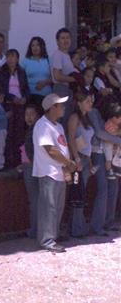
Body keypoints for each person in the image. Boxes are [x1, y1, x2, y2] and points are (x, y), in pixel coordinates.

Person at [32, 93, 76, 253]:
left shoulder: (58, 126)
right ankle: (47, 239)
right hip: (48, 172)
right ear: (52, 108)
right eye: (60, 105)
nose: (63, 108)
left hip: (58, 172)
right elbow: (51, 150)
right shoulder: (42, 125)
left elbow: (61, 148)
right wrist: (68, 163)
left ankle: (53, 236)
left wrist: (66, 168)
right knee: (48, 207)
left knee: (57, 206)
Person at [88, 102, 121, 235]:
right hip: (101, 155)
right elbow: (101, 135)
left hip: (110, 157)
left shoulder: (99, 116)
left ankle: (108, 222)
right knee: (104, 189)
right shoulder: (94, 113)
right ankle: (97, 225)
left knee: (112, 188)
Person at [66, 92, 94, 238]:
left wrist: (89, 161)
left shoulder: (86, 119)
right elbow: (70, 138)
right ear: (79, 102)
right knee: (77, 193)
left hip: (85, 158)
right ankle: (76, 229)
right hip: (78, 159)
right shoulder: (74, 117)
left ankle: (77, 226)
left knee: (80, 193)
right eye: (87, 101)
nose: (90, 103)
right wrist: (76, 159)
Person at [0, 49, 29, 168]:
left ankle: (18, 160)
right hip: (8, 104)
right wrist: (11, 98)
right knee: (8, 132)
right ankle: (8, 161)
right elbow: (0, 89)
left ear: (17, 59)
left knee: (19, 132)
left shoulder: (21, 72)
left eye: (13, 57)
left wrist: (25, 97)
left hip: (20, 105)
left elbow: (26, 87)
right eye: (8, 57)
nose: (10, 59)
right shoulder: (1, 72)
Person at [20, 104, 40, 239]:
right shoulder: (28, 130)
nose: (29, 117)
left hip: (32, 167)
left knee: (35, 201)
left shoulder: (35, 130)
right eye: (27, 114)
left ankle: (35, 230)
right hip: (28, 166)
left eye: (32, 114)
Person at [50, 28, 76, 124]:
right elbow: (57, 76)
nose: (66, 40)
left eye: (68, 38)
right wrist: (74, 79)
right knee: (62, 120)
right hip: (61, 90)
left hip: (67, 90)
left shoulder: (66, 55)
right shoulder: (58, 55)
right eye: (63, 38)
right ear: (57, 41)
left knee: (67, 119)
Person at [21, 36, 52, 107]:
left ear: (42, 46)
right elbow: (20, 78)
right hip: (30, 97)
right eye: (33, 45)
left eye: (37, 45)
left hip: (46, 97)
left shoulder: (49, 60)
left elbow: (55, 77)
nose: (35, 47)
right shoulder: (25, 61)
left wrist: (45, 82)